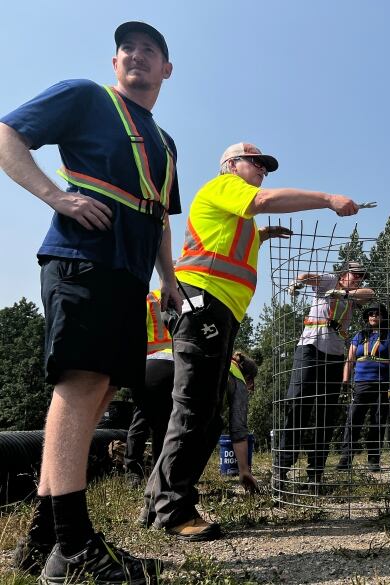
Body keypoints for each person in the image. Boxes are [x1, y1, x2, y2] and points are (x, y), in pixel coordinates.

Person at [1, 21, 180, 583]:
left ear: (166, 70)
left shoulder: (164, 142)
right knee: (79, 385)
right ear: (114, 62)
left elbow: (158, 216)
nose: (137, 55)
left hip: (128, 274)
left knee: (97, 390)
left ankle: (40, 545)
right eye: (127, 48)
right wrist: (57, 197)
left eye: (150, 50)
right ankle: (76, 548)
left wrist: (169, 280)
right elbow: (7, 135)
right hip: (82, 259)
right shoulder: (86, 96)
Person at [142, 142, 360, 541]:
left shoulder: (235, 213)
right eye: (254, 162)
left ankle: (157, 500)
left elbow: (225, 241)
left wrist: (259, 237)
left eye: (264, 166)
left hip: (216, 309)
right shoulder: (224, 187)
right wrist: (329, 199)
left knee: (202, 412)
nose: (261, 170)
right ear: (230, 165)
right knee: (196, 410)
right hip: (204, 303)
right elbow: (265, 200)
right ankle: (172, 511)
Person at [276, 262, 375, 493]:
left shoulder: (353, 294)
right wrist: (297, 283)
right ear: (344, 273)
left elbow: (370, 294)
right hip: (310, 349)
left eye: (361, 276)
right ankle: (281, 470)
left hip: (334, 355)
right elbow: (305, 275)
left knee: (326, 413)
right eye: (355, 275)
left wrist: (343, 293)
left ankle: (315, 475)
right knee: (297, 403)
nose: (359, 279)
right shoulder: (329, 281)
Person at [336, 302, 390, 472]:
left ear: (383, 316)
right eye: (371, 313)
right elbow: (349, 361)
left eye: (378, 313)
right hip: (361, 384)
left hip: (382, 384)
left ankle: (374, 460)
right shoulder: (359, 336)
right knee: (353, 420)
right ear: (366, 317)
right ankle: (345, 459)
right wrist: (345, 382)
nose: (374, 316)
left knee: (377, 422)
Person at [124, 289, 176, 488]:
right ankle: (134, 471)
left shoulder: (181, 299)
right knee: (144, 420)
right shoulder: (151, 300)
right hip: (151, 368)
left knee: (162, 423)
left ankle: (157, 472)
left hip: (172, 368)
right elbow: (135, 335)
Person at [225, 352, 261, 493]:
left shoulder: (223, 362)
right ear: (248, 378)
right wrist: (244, 471)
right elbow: (238, 427)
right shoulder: (238, 379)